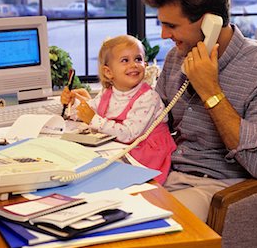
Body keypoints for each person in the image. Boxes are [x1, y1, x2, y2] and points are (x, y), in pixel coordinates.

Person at [143, 0, 257, 221]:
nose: (163, 35)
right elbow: (154, 120)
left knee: (139, 231)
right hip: (164, 172)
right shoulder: (177, 57)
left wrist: (210, 90)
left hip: (217, 188)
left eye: (172, 25)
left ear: (209, 23)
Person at [61, 35, 176, 184]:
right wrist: (74, 104)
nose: (134, 64)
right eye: (125, 60)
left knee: (105, 176)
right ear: (109, 72)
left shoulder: (148, 98)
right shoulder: (108, 92)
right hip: (120, 145)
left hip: (146, 151)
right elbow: (91, 111)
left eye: (138, 59)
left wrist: (93, 119)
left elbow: (129, 134)